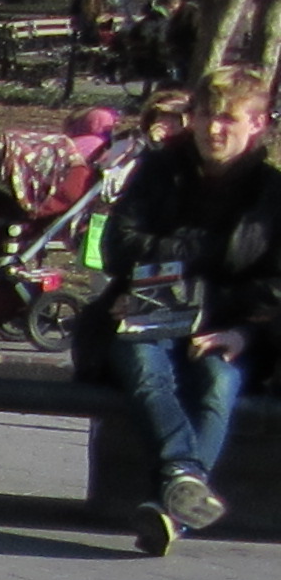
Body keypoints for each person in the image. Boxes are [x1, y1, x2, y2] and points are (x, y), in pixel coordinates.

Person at [84, 66, 275, 555]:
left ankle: (170, 511)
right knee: (145, 366)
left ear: (257, 124)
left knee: (218, 381)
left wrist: (244, 334)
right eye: (206, 115)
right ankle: (182, 480)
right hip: (142, 314)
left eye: (228, 118)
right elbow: (118, 246)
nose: (214, 129)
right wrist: (203, 252)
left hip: (225, 327)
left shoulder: (270, 195)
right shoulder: (157, 171)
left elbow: (273, 283)